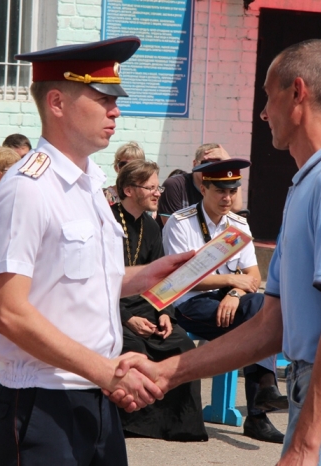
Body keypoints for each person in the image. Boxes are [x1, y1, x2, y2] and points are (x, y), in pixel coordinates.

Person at [112, 39, 321, 465]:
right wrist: (167, 372)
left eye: (269, 96)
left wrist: (305, 445)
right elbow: (271, 327)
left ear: (297, 93)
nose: (264, 112)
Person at [0, 36, 191, 466]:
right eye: (102, 98)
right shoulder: (27, 189)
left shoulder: (91, 182)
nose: (116, 110)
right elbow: (9, 311)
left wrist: (147, 275)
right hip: (41, 401)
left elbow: (75, 278)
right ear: (57, 102)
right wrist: (107, 373)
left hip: (95, 395)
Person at [163, 158, 286, 444]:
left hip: (230, 304)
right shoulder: (181, 224)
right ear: (203, 188)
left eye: (232, 191)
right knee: (259, 321)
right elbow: (183, 279)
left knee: (260, 307)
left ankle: (263, 397)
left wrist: (234, 293)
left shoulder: (238, 224)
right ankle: (258, 412)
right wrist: (232, 281)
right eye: (220, 191)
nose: (227, 198)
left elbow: (253, 275)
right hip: (189, 305)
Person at [113, 159, 207, 442]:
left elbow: (162, 280)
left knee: (181, 345)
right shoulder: (106, 224)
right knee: (132, 346)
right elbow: (94, 283)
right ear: (130, 190)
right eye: (151, 187)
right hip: (110, 307)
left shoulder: (152, 228)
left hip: (147, 306)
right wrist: (126, 318)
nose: (158, 193)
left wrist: (165, 312)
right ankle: (133, 426)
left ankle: (180, 427)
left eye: (159, 187)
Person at [156, 143, 242, 226]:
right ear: (194, 164)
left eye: (218, 164)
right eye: (206, 163)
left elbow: (236, 207)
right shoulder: (175, 185)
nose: (211, 168)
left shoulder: (219, 187)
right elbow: (172, 228)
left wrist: (228, 162)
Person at [104, 141, 146, 205]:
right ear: (116, 168)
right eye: (123, 164)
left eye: (134, 165)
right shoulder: (103, 196)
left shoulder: (146, 196)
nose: (128, 169)